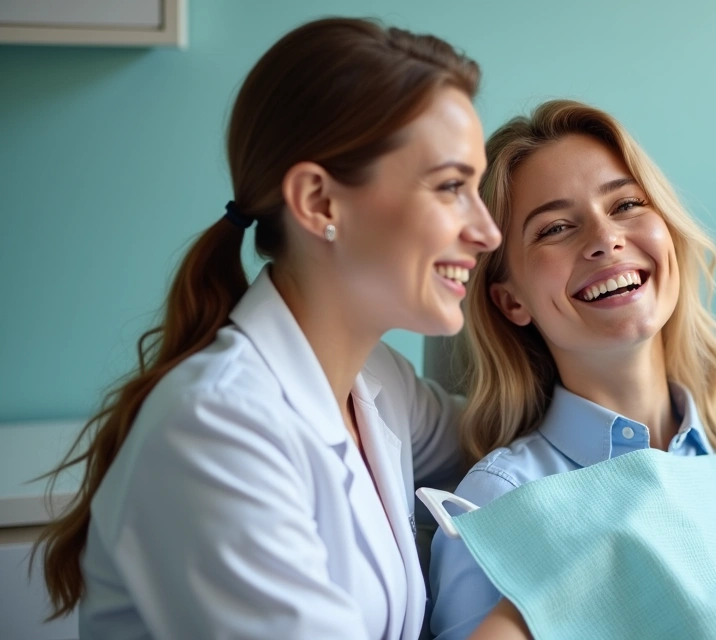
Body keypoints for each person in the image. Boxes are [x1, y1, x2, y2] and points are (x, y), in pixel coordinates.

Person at [33, 18, 525, 639]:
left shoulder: (376, 382)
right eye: (451, 187)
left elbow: (497, 435)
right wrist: (534, 605)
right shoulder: (213, 431)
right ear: (319, 202)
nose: (486, 232)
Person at [428, 99, 716, 639]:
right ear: (511, 300)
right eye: (555, 228)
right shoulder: (499, 502)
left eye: (627, 204)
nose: (605, 239)